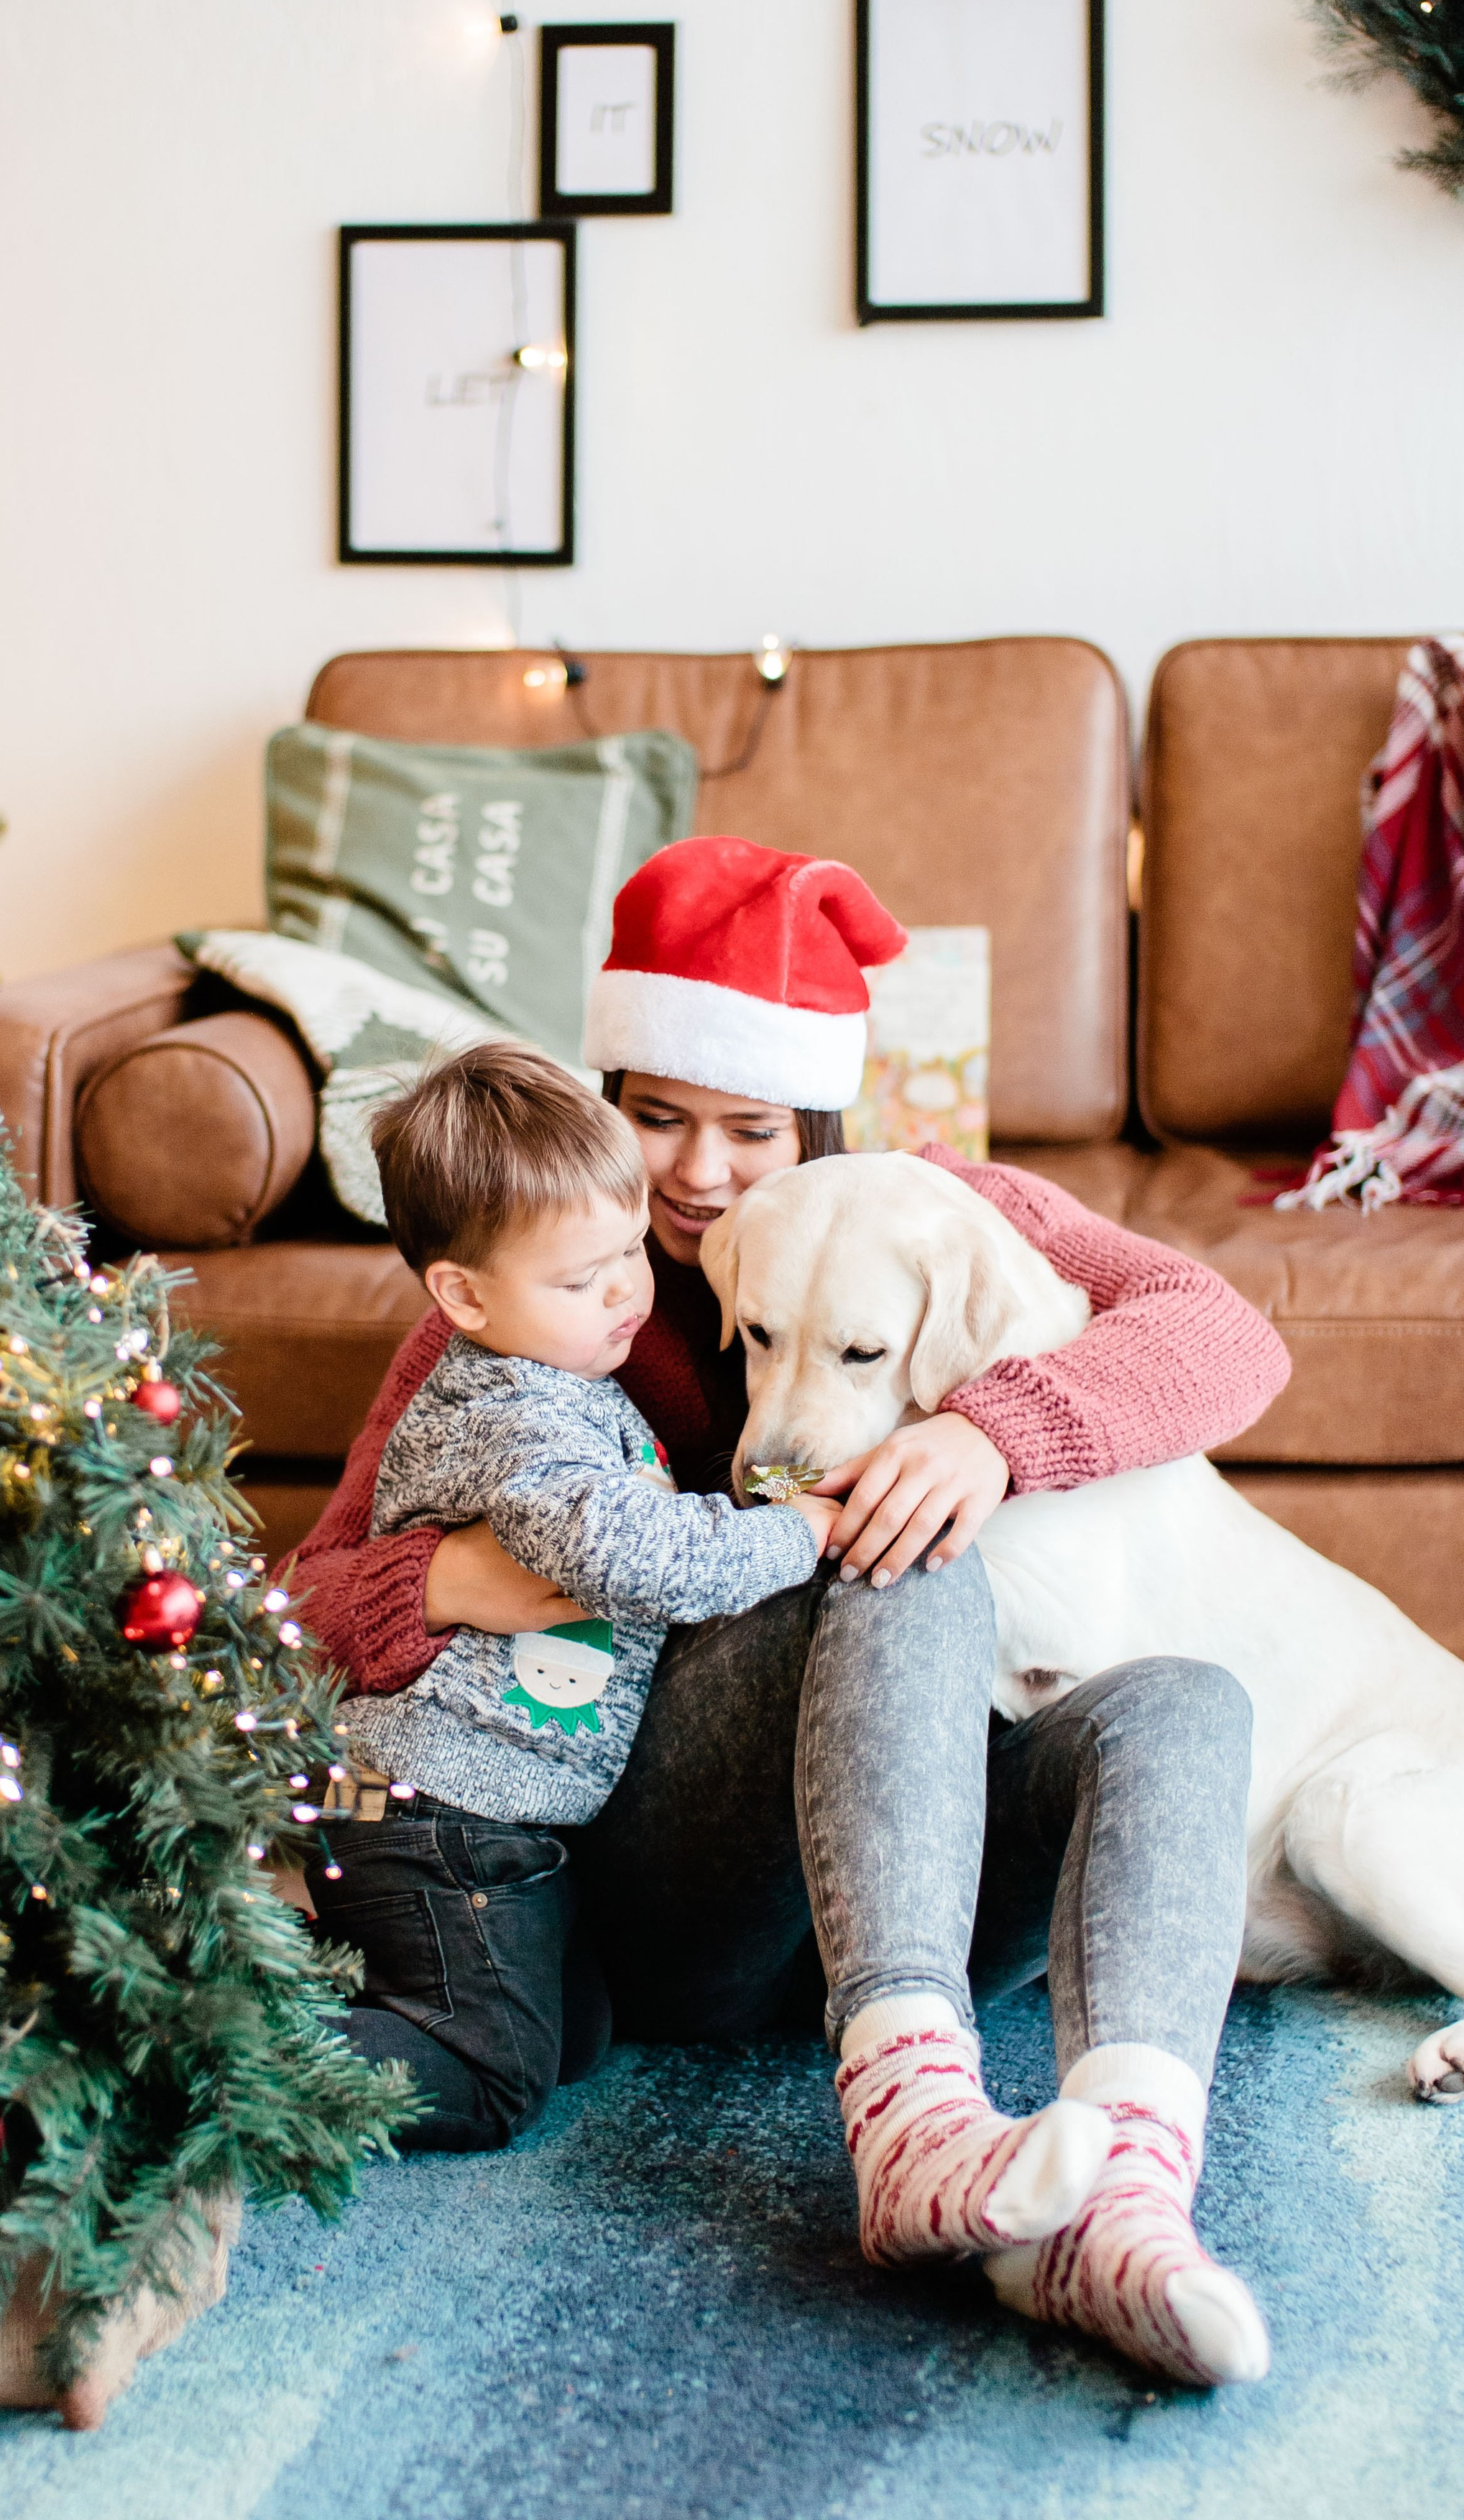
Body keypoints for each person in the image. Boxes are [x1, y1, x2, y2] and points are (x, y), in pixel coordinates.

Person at [288, 835, 1293, 2390]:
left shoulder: (934, 1207)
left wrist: (988, 1431)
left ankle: (1127, 2203)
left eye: (748, 1129)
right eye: (657, 1119)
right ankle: (906, 2117)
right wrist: (430, 1582)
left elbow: (1220, 1334)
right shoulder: (522, 1298)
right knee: (894, 1546)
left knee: (1185, 1701)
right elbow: (294, 1598)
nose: (695, 1176)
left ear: (812, 1117)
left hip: (918, 1844)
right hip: (675, 1881)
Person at [328, 1041, 843, 2149]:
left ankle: (333, 1972)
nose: (626, 1292)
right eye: (579, 1279)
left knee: (578, 2036)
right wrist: (796, 1532)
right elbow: (642, 1556)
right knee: (492, 2077)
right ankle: (223, 2045)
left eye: (627, 1251)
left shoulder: (568, 1377)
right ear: (463, 1296)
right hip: (442, 1815)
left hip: (517, 1821)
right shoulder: (514, 1415)